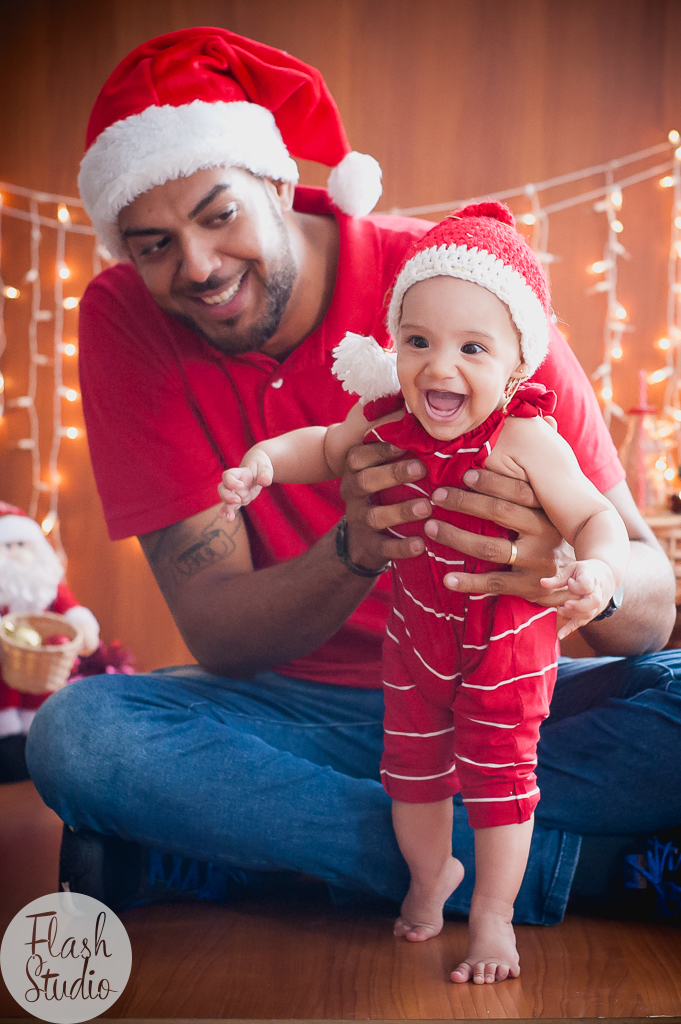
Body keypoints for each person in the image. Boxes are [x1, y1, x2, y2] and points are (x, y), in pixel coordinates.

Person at [25, 27, 681, 973]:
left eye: (219, 215)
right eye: (154, 244)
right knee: (81, 737)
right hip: (292, 716)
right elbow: (219, 631)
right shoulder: (124, 316)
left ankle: (249, 847)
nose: (197, 265)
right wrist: (353, 549)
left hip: (509, 698)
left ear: (276, 180)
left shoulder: (460, 291)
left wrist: (581, 572)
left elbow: (650, 608)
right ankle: (573, 869)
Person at [218, 202, 630, 981]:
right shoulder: (385, 421)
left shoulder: (526, 439)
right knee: (410, 776)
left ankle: (494, 918)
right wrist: (262, 462)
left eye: (471, 348)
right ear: (394, 345)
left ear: (517, 365)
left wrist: (600, 574)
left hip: (505, 649)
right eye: (417, 342)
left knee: (501, 782)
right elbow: (322, 447)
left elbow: (595, 517)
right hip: (413, 646)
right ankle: (429, 874)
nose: (439, 368)